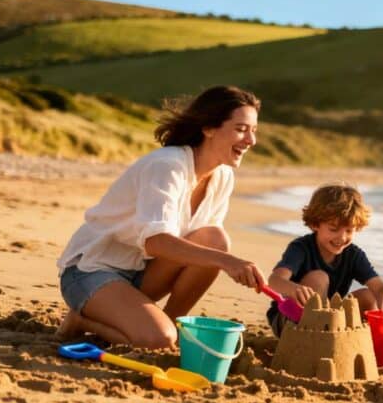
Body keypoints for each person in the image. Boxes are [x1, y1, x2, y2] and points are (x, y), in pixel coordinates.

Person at [57, 85, 266, 349]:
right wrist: (228, 262)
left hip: (143, 272)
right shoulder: (167, 166)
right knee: (158, 339)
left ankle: (172, 322)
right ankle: (82, 321)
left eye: (254, 131)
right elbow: (156, 242)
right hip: (92, 271)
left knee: (215, 238)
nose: (251, 141)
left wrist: (224, 258)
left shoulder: (223, 176)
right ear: (209, 128)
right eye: (241, 129)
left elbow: (204, 246)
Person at [265, 184, 383, 336]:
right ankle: (315, 337)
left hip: (331, 321)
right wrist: (293, 289)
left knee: (370, 296)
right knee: (319, 278)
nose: (342, 238)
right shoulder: (301, 248)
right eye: (333, 229)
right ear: (315, 224)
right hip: (292, 319)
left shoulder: (353, 255)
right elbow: (274, 280)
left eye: (349, 230)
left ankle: (354, 339)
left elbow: (378, 286)